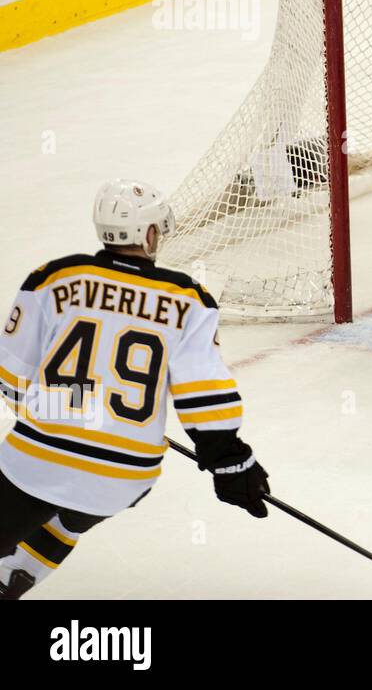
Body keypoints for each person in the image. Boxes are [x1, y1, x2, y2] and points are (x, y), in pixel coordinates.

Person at [0, 179, 269, 599]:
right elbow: (204, 393)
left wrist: (61, 415)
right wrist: (229, 460)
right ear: (147, 233)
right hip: (125, 475)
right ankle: (23, 567)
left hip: (37, 460)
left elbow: (12, 376)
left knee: (38, 489)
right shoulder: (189, 300)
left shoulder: (54, 278)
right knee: (81, 504)